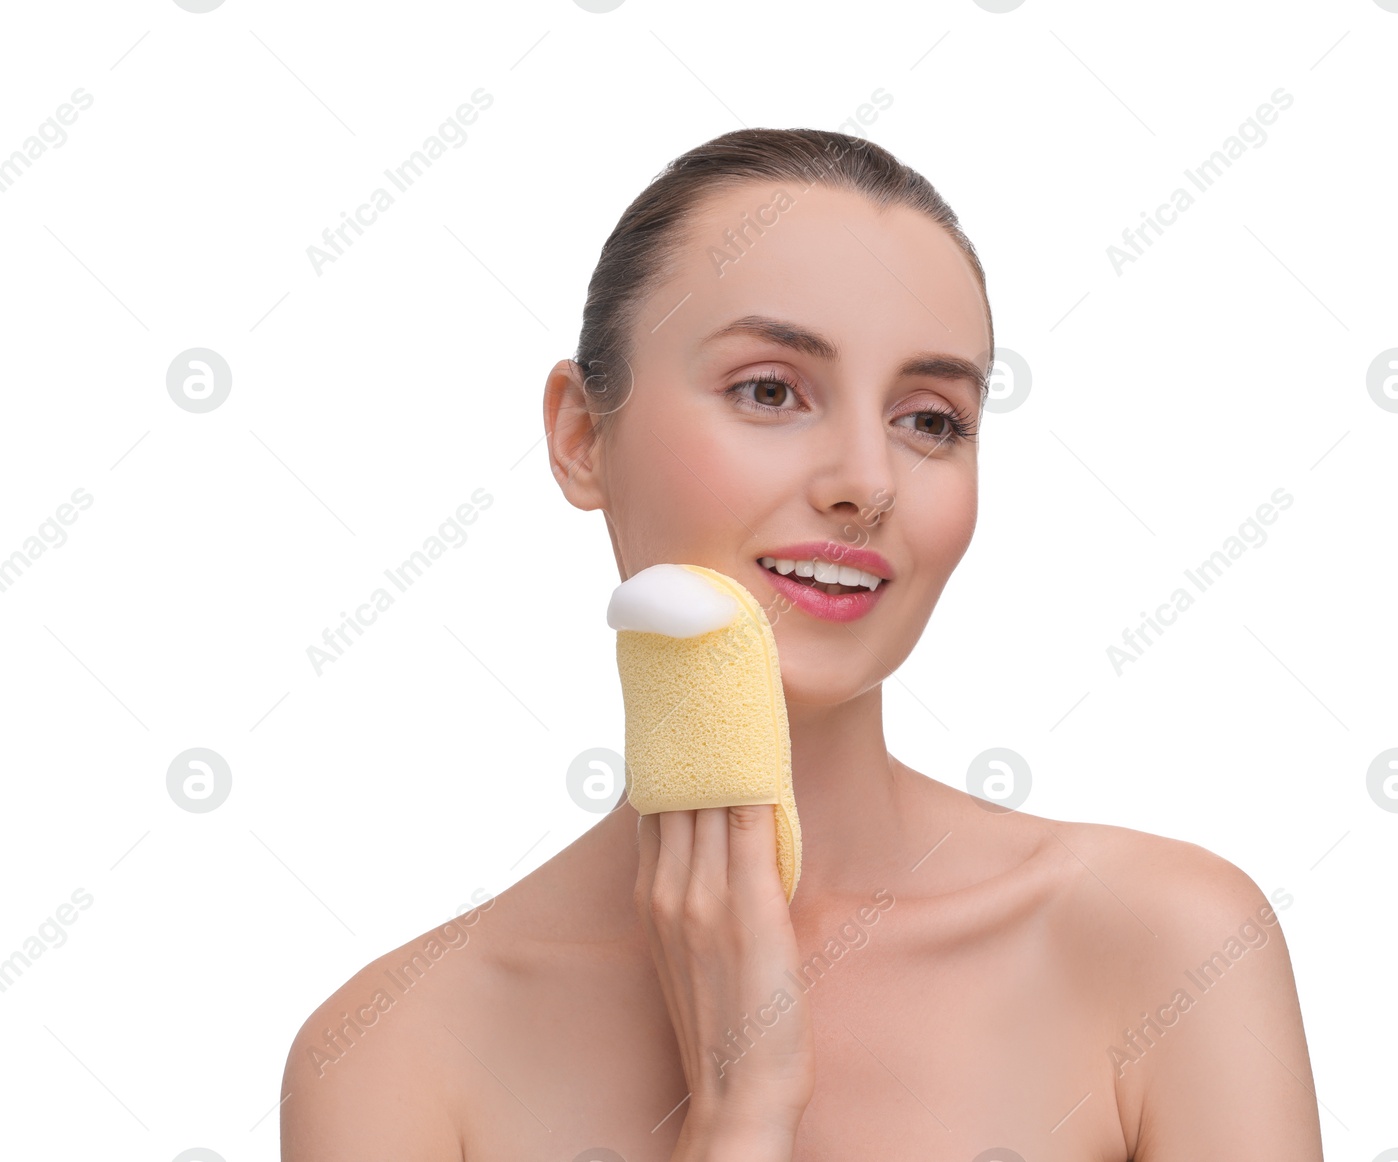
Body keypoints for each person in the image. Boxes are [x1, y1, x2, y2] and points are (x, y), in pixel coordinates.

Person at [280, 128, 1324, 1161]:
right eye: (769, 390)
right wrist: (742, 1114)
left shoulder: (1167, 949)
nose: (866, 479)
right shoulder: (393, 1056)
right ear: (581, 436)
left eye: (929, 419)